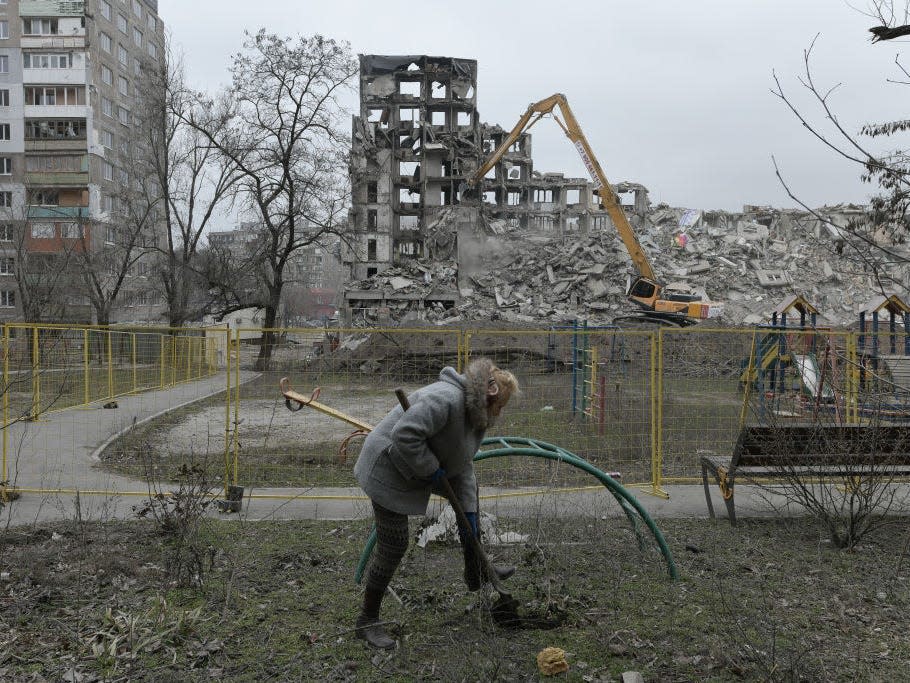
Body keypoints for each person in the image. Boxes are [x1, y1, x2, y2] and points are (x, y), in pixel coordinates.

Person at [352, 357, 520, 649]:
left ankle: (475, 570)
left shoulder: (475, 416)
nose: (501, 412)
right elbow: (404, 435)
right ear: (490, 396)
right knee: (394, 545)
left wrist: (470, 517)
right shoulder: (446, 399)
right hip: (386, 468)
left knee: (470, 508)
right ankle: (367, 620)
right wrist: (431, 468)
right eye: (501, 405)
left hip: (414, 468)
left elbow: (463, 464)